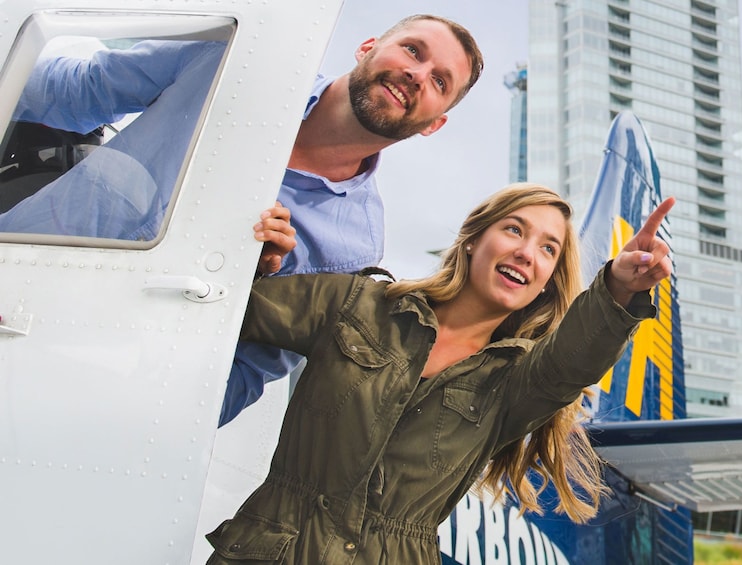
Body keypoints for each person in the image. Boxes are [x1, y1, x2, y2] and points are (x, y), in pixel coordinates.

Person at [0, 15, 485, 425]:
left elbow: (237, 380)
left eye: (440, 81)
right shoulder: (233, 63)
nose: (417, 75)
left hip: (70, 382)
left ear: (434, 123)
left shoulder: (355, 249)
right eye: (412, 50)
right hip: (11, 279)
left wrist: (242, 285)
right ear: (367, 48)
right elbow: (69, 89)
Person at [205, 183, 676, 564]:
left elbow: (572, 362)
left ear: (548, 280)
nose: (527, 253)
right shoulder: (359, 304)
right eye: (514, 230)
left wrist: (618, 287)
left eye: (548, 249)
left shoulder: (515, 382)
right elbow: (223, 306)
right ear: (474, 239)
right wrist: (256, 259)